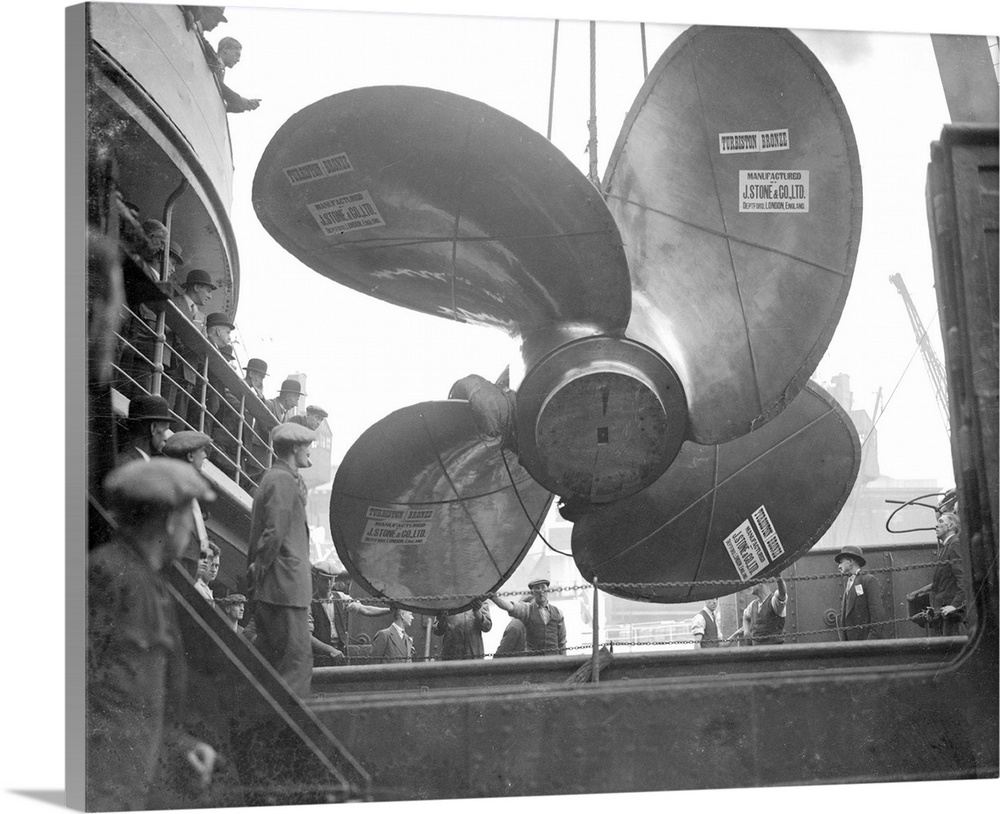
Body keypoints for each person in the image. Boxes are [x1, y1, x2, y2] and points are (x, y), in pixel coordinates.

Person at [87, 459, 218, 810]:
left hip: (126, 783)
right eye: (189, 519)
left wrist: (179, 746)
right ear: (172, 520)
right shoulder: (108, 576)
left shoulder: (143, 579)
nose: (190, 533)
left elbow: (130, 695)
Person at [246, 422, 316, 695]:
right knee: (296, 667)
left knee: (274, 666)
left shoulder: (277, 478)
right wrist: (260, 566)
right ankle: (289, 733)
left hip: (277, 589)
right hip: (285, 589)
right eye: (307, 445)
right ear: (296, 447)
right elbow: (274, 532)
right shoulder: (282, 480)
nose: (309, 450)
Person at [309, 563, 391, 664]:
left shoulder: (341, 597)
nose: (329, 583)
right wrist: (330, 650)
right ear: (316, 578)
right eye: (324, 579)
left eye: (332, 579)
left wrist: (389, 611)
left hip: (341, 653)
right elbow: (308, 637)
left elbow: (365, 610)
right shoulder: (309, 604)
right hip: (320, 656)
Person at [161, 430, 214, 576]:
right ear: (190, 456)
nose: (205, 455)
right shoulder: (175, 488)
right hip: (179, 564)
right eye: (202, 451)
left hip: (188, 562)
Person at [489, 578, 567, 655]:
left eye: (543, 587)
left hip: (553, 661)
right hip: (534, 662)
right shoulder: (527, 610)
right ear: (532, 593)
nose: (541, 591)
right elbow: (510, 607)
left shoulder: (558, 613)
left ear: (548, 590)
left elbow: (562, 642)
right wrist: (493, 597)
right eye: (537, 588)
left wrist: (564, 663)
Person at [835, 545, 887, 641]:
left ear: (851, 561)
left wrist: (869, 642)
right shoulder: (847, 582)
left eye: (841, 562)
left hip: (865, 645)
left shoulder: (868, 580)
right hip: (850, 646)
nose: (839, 566)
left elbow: (877, 615)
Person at [929, 511, 967, 636]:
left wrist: (955, 606)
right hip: (946, 611)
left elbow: (963, 578)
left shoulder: (954, 544)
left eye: (940, 522)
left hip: (952, 613)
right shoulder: (948, 546)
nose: (936, 526)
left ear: (950, 526)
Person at [119, 394, 173, 464]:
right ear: (153, 428)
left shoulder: (132, 460)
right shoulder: (130, 464)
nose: (166, 438)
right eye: (164, 430)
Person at [212, 35, 261, 113]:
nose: (238, 60)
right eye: (236, 54)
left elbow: (219, 102)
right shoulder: (212, 62)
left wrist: (246, 106)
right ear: (226, 49)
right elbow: (219, 86)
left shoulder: (220, 70)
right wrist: (241, 101)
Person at [742, 576, 787, 645]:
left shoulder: (774, 602)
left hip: (775, 653)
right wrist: (746, 631)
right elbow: (745, 617)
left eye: (751, 582)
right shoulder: (753, 605)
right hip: (757, 653)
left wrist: (778, 576)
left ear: (761, 582)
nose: (749, 585)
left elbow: (782, 594)